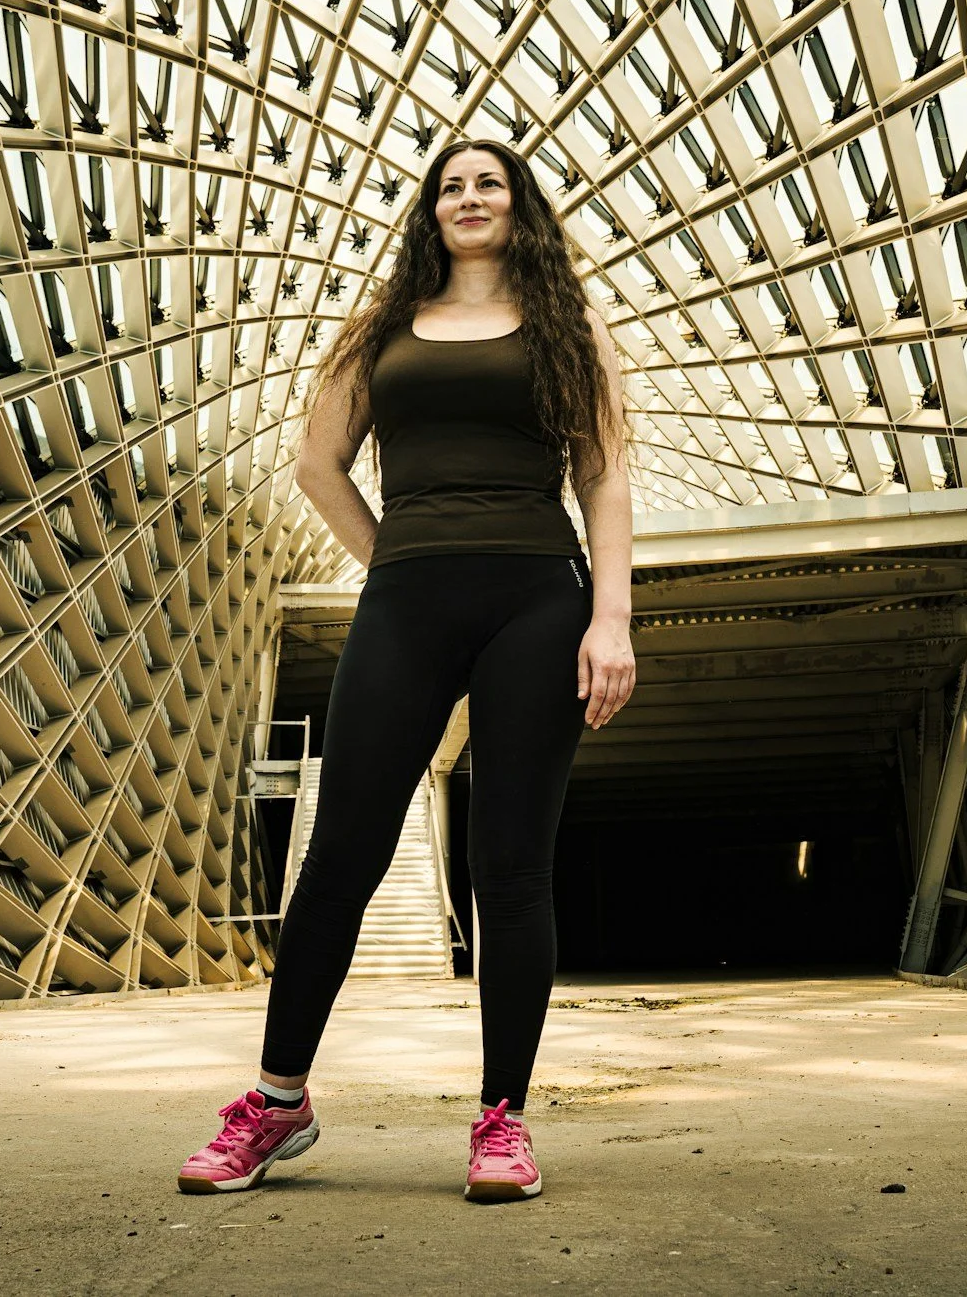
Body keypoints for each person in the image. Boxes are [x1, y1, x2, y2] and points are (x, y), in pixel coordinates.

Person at [177, 138, 635, 1203]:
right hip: (406, 601)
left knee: (510, 865)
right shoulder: (379, 329)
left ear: (521, 208)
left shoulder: (573, 328)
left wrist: (609, 619)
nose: (468, 197)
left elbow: (603, 474)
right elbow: (314, 461)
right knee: (339, 855)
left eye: (489, 182)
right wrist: (393, 560)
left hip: (538, 596)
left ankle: (501, 1121)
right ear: (430, 212)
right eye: (449, 185)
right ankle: (277, 1103)